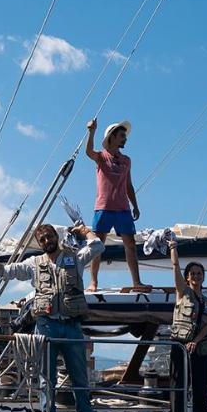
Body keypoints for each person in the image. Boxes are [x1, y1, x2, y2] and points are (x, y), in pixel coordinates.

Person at [0, 224, 105, 412]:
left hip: (71, 325)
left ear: (56, 237)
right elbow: (5, 272)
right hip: (46, 326)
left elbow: (98, 246)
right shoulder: (33, 264)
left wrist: (85, 231)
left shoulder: (75, 258)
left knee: (79, 376)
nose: (47, 241)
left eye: (50, 236)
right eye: (43, 239)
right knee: (46, 377)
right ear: (40, 244)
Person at [84, 118, 150, 292]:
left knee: (130, 245)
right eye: (122, 136)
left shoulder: (126, 160)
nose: (125, 139)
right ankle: (93, 282)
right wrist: (91, 131)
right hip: (103, 207)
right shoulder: (102, 157)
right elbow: (88, 151)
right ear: (112, 137)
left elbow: (128, 185)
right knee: (97, 246)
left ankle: (137, 282)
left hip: (123, 208)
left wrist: (135, 205)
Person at [167, 239, 207, 412]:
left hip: (200, 346)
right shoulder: (182, 293)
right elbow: (175, 266)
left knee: (201, 384)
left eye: (199, 273)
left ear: (203, 277)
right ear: (187, 277)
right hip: (180, 344)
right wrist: (173, 248)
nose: (196, 276)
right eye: (192, 273)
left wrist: (195, 341)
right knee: (178, 383)